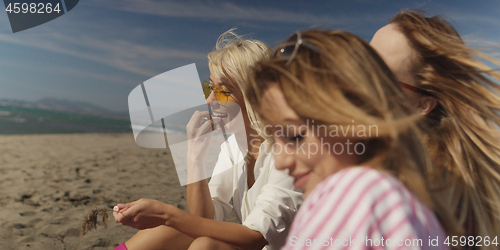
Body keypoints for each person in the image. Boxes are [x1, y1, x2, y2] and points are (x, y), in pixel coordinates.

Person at [245, 29, 460, 249]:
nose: (281, 162)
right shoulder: (387, 197)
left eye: (296, 136)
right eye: (275, 138)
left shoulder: (360, 193)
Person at [112, 30, 302, 250]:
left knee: (203, 245)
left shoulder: (293, 150)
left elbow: (255, 236)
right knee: (172, 231)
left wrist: (166, 214)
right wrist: (194, 157)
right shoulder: (233, 148)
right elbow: (204, 218)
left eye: (223, 91)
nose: (210, 100)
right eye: (209, 88)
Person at [370, 10, 500, 242]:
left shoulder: (408, 188)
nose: (355, 76)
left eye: (378, 74)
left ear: (423, 104)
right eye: (362, 59)